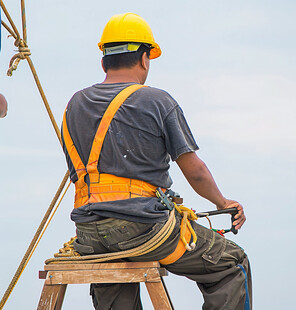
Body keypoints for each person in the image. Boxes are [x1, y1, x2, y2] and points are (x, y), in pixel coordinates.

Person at [61, 12, 252, 310]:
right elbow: (195, 171)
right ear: (144, 58)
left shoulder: (75, 104)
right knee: (231, 262)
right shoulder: (157, 101)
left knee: (114, 283)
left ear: (103, 62)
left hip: (89, 234)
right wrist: (221, 201)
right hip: (143, 228)